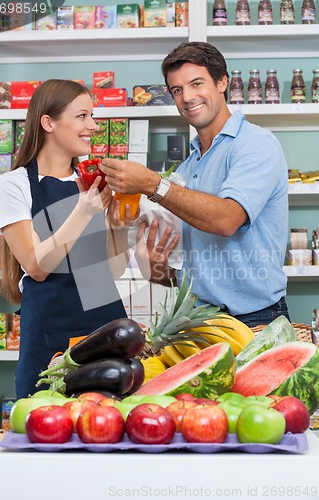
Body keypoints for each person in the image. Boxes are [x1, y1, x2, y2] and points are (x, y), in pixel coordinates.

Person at [100, 41, 291, 327]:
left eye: (196, 83)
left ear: (222, 82)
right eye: (177, 90)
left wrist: (152, 184)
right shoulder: (188, 168)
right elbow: (178, 275)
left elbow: (227, 220)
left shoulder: (255, 144)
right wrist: (158, 266)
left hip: (256, 320)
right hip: (198, 322)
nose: (187, 97)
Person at [0, 79, 134, 398]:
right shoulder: (16, 185)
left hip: (104, 327)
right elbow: (36, 265)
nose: (93, 125)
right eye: (82, 116)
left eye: (92, 116)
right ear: (48, 123)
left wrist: (119, 226)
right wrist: (83, 211)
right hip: (49, 336)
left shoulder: (93, 180)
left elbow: (111, 272)